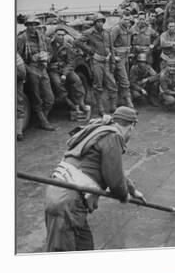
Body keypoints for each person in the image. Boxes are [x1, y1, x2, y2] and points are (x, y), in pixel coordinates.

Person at [44, 107, 146, 252]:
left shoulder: (100, 130)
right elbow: (115, 182)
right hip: (68, 201)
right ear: (131, 126)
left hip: (59, 193)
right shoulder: (113, 136)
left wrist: (133, 190)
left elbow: (113, 169)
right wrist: (124, 196)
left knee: (84, 246)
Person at [74, 13, 118, 116]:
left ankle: (113, 107)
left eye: (102, 21)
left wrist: (113, 62)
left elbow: (111, 48)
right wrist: (90, 51)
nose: (100, 23)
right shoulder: (89, 33)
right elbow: (77, 42)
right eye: (98, 21)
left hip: (106, 61)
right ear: (94, 23)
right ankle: (100, 109)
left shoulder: (107, 33)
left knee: (112, 84)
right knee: (98, 85)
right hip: (96, 62)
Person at [16, 16, 56, 131]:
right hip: (30, 68)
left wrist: (46, 57)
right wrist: (30, 62)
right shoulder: (21, 38)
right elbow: (17, 57)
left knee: (50, 99)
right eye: (30, 25)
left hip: (42, 68)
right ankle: (44, 121)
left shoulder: (42, 37)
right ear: (26, 26)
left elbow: (50, 52)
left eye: (34, 24)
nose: (33, 27)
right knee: (36, 98)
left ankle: (42, 119)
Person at [47, 29, 88, 114]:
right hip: (53, 70)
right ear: (54, 35)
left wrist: (65, 74)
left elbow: (70, 63)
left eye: (63, 35)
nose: (61, 37)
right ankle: (69, 102)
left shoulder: (67, 46)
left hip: (65, 69)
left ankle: (81, 102)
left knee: (77, 81)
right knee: (58, 84)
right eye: (59, 35)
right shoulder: (49, 45)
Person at [110, 15, 135, 108]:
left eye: (128, 19)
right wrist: (114, 56)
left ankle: (120, 100)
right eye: (125, 19)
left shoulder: (128, 29)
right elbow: (110, 44)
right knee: (124, 80)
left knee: (124, 78)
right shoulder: (116, 29)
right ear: (121, 19)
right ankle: (129, 102)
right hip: (119, 57)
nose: (127, 21)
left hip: (126, 56)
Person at [16, 52, 27, 141]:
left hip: (19, 72)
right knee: (19, 101)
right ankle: (19, 132)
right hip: (20, 71)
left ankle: (19, 132)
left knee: (19, 101)